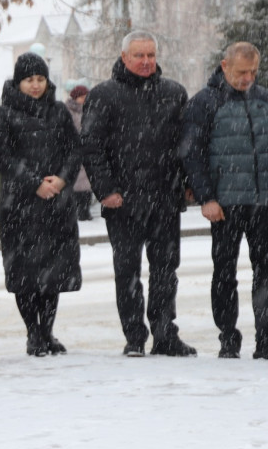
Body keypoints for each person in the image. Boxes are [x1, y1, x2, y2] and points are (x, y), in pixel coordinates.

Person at [81, 30, 196, 357]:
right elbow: (91, 148)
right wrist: (106, 190)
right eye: (139, 56)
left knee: (165, 271)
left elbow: (185, 144)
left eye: (150, 55)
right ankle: (135, 337)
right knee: (127, 272)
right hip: (123, 202)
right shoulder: (104, 95)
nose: (146, 62)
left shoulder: (174, 93)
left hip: (165, 198)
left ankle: (164, 334)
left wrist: (188, 184)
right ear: (124, 57)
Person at [179, 42, 268, 360]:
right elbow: (192, 154)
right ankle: (228, 337)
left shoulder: (263, 99)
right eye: (242, 71)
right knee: (224, 273)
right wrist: (206, 197)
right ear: (225, 65)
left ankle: (266, 339)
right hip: (225, 205)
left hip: (263, 203)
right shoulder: (204, 102)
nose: (248, 78)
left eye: (253, 71)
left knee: (265, 272)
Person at [0, 53, 82, 357]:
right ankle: (33, 332)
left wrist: (62, 180)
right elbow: (2, 157)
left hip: (57, 204)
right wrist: (35, 183)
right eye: (29, 79)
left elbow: (73, 150)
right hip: (21, 207)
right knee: (26, 274)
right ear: (19, 82)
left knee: (53, 273)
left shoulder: (58, 111)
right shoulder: (4, 114)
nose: (35, 85)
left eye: (40, 79)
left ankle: (48, 331)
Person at [65, 86, 93, 220]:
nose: (85, 99)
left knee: (87, 185)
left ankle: (85, 211)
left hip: (87, 151)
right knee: (78, 185)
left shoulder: (88, 111)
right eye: (83, 97)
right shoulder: (69, 112)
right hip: (75, 151)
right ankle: (81, 212)